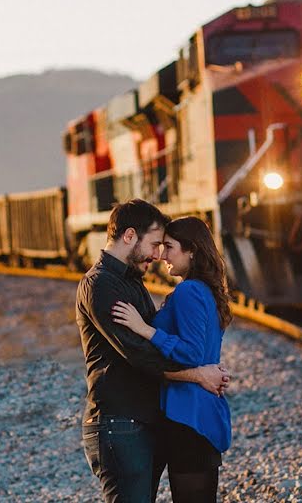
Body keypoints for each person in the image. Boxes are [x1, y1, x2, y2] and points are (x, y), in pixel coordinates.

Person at [77, 200, 230, 503]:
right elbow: (138, 354)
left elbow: (172, 345)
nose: (159, 255)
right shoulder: (102, 285)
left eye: (165, 246)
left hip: (144, 420)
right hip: (118, 421)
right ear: (130, 236)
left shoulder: (133, 282)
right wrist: (198, 375)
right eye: (156, 244)